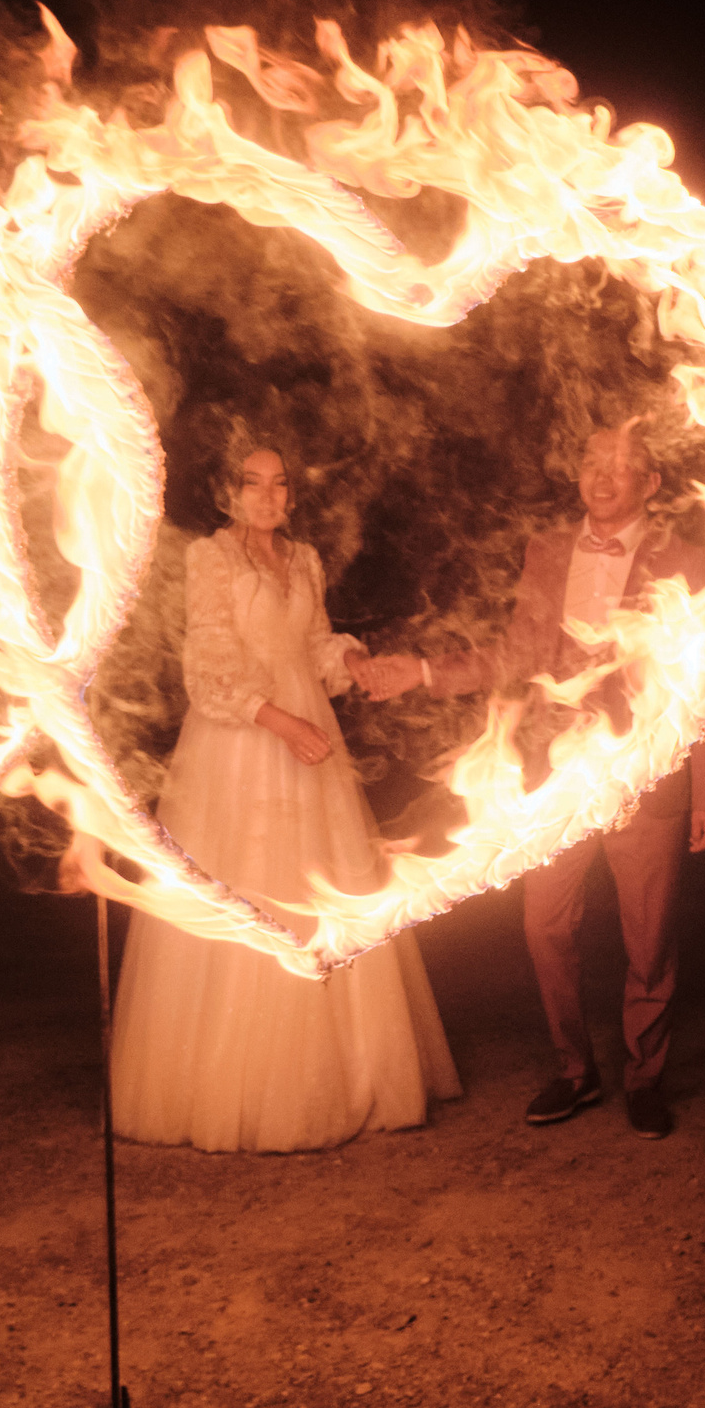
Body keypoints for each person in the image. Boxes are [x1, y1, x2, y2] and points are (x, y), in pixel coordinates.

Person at [361, 419, 705, 1141]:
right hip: (554, 774)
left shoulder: (688, 562)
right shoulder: (549, 551)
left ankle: (645, 1078)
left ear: (650, 483)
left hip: (642, 776)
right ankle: (574, 1068)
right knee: (544, 926)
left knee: (648, 941)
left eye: (623, 465)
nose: (603, 474)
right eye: (594, 459)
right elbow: (513, 652)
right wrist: (426, 671)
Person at [107, 441, 461, 1152]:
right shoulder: (210, 558)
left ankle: (347, 1075)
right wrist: (279, 719)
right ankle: (231, 1089)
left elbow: (316, 643)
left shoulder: (302, 560)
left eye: (279, 484)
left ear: (290, 496)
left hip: (309, 735)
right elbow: (207, 665)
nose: (268, 496)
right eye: (252, 483)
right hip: (241, 739)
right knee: (253, 887)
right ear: (228, 493)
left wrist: (352, 661)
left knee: (321, 885)